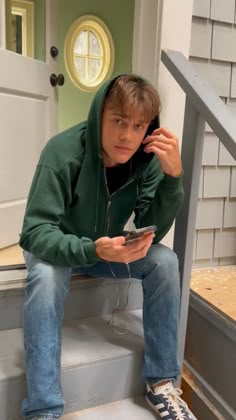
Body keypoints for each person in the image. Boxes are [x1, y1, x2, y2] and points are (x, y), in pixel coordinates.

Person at [19, 74, 196, 420]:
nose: (128, 136)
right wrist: (92, 250)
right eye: (118, 121)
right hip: (58, 249)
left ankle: (161, 383)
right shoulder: (62, 151)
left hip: (106, 250)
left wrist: (173, 179)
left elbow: (153, 231)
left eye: (138, 125)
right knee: (43, 278)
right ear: (99, 114)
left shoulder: (146, 161)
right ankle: (43, 409)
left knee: (165, 261)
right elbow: (34, 232)